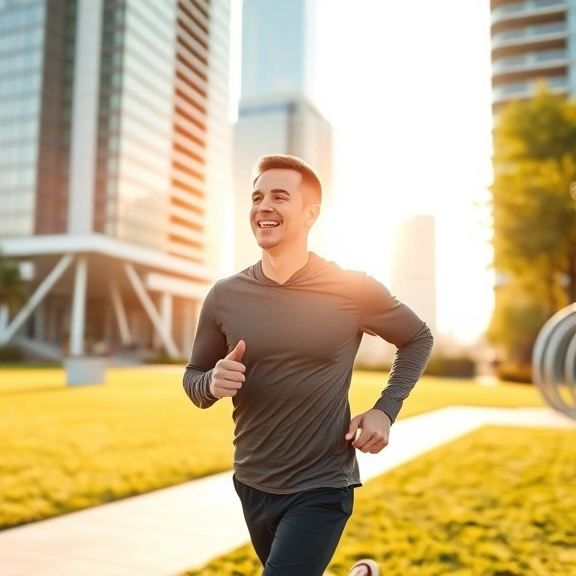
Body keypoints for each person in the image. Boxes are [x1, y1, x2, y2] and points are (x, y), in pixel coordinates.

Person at [182, 154, 434, 576]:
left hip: (322, 483)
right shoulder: (225, 296)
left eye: (280, 197)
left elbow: (417, 337)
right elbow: (193, 379)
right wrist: (211, 382)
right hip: (252, 481)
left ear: (310, 213)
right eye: (257, 196)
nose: (264, 206)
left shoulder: (352, 288)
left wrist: (385, 410)